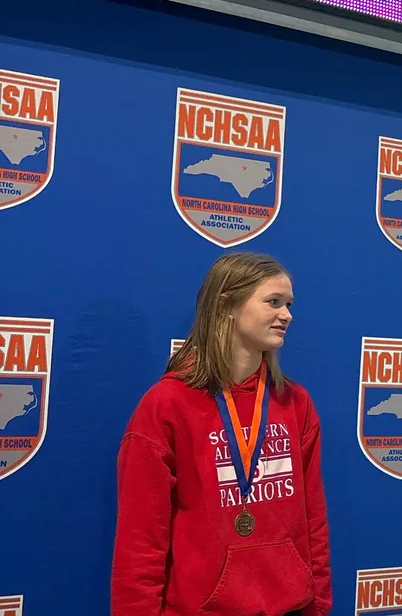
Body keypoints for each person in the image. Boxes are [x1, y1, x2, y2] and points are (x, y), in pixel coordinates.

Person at [110, 252, 332, 616]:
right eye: (273, 302)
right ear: (227, 304)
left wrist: (318, 607)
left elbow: (314, 521)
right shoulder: (167, 405)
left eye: (289, 304)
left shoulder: (295, 403)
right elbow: (141, 540)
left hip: (288, 607)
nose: (287, 315)